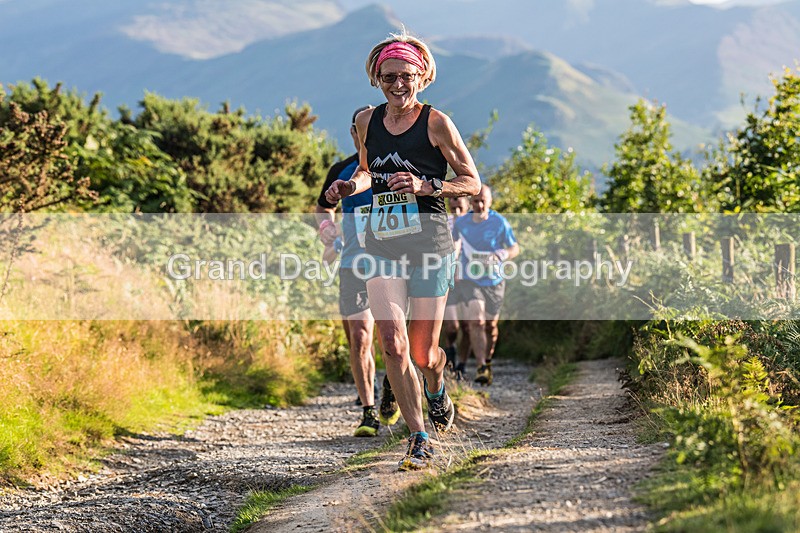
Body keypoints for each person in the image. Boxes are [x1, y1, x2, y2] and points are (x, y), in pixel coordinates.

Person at [325, 32, 481, 470]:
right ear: (377, 78)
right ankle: (418, 436)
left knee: (422, 353)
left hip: (429, 240)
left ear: (422, 77)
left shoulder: (436, 123)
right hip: (381, 242)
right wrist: (348, 186)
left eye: (407, 76)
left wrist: (427, 185)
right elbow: (363, 169)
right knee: (392, 343)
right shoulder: (366, 122)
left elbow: (472, 181)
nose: (398, 85)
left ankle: (436, 384)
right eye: (390, 76)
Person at [316, 105, 401, 437]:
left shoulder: (394, 165)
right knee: (360, 337)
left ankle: (393, 385)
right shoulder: (341, 169)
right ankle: (368, 411)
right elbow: (324, 206)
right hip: (353, 263)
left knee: (391, 337)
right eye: (360, 129)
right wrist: (326, 228)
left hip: (393, 264)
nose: (365, 133)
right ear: (354, 132)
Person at [453, 185, 519, 385]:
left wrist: (503, 254)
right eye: (475, 201)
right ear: (470, 202)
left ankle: (487, 361)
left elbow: (514, 247)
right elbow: (453, 243)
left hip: (494, 280)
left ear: (490, 201)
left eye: (483, 201)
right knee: (476, 320)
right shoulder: (462, 222)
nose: (479, 205)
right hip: (470, 279)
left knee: (491, 326)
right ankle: (481, 366)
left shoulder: (499, 222)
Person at [442, 196, 471, 376]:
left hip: (471, 280)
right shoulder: (443, 221)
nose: (454, 203)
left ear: (468, 202)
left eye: (458, 199)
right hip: (449, 278)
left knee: (468, 326)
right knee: (452, 325)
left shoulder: (475, 222)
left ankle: (462, 364)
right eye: (451, 199)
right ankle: (450, 348)